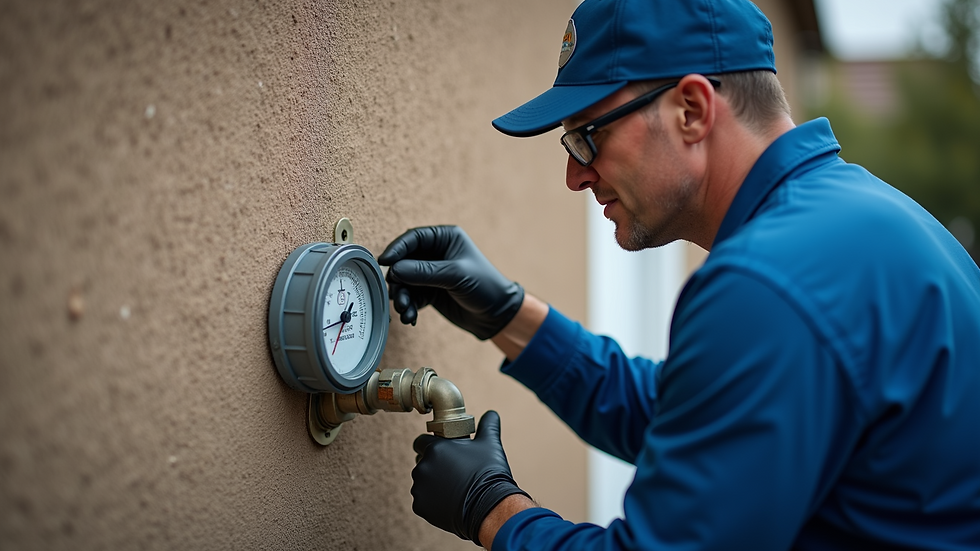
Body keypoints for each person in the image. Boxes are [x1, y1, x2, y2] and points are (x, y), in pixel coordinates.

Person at [377, 0, 980, 549]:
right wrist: (508, 314)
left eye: (587, 137)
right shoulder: (860, 220)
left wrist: (491, 509)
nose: (575, 175)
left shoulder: (769, 285)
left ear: (691, 109)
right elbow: (698, 421)